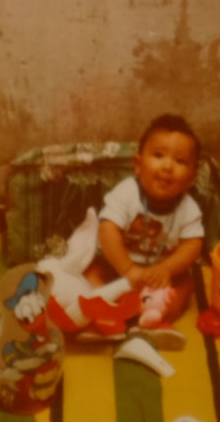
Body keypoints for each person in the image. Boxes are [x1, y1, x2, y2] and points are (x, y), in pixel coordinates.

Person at [83, 113, 204, 330]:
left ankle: (157, 318)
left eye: (180, 161)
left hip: (161, 274)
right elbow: (107, 229)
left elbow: (193, 244)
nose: (168, 166)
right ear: (138, 165)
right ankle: (107, 313)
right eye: (158, 155)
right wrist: (128, 269)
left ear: (192, 176)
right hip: (118, 266)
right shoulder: (127, 193)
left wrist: (166, 269)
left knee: (187, 284)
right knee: (92, 272)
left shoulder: (188, 208)